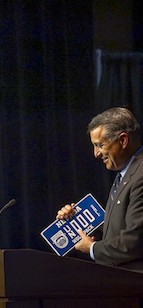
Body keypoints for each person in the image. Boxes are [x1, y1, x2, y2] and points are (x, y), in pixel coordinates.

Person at [57, 107, 143, 270]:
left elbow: (134, 242)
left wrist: (92, 249)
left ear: (123, 140)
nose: (96, 153)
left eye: (100, 145)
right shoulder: (127, 173)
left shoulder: (140, 174)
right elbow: (120, 229)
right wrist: (77, 221)